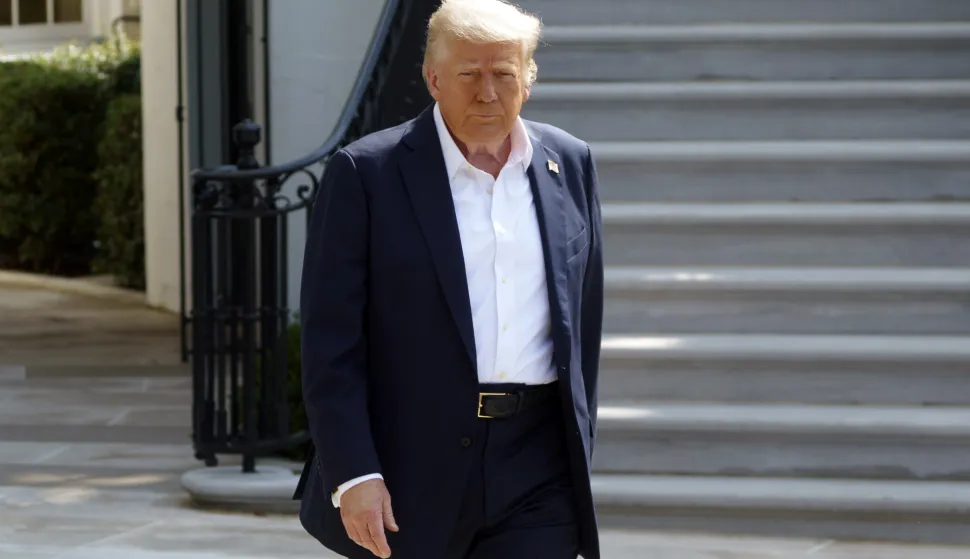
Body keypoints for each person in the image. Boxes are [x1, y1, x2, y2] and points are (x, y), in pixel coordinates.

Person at [296, 0, 604, 557]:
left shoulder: (570, 161)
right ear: (433, 78)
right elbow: (330, 342)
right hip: (412, 460)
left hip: (538, 464)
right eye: (468, 75)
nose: (487, 92)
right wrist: (354, 472)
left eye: (504, 74)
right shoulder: (368, 174)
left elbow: (583, 323)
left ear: (528, 79)